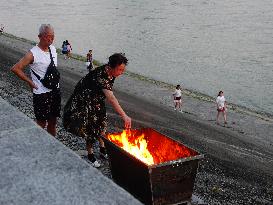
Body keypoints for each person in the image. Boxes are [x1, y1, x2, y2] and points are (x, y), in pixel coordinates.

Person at [63, 53, 131, 168]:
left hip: (97, 98)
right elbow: (111, 98)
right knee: (90, 128)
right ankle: (90, 154)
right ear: (111, 66)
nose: (121, 72)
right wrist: (124, 116)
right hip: (85, 99)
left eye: (123, 70)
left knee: (102, 124)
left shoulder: (111, 71)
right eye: (120, 69)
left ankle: (102, 148)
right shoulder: (102, 77)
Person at [11, 24, 61, 136]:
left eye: (53, 36)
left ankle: (52, 145)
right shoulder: (33, 53)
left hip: (55, 91)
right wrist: (30, 82)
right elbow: (15, 68)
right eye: (48, 36)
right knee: (41, 123)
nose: (51, 39)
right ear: (40, 36)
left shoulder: (53, 49)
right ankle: (37, 144)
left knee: (53, 122)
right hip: (41, 93)